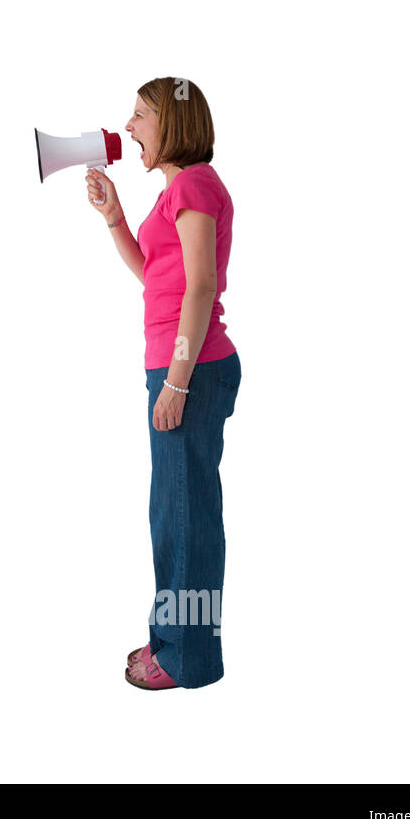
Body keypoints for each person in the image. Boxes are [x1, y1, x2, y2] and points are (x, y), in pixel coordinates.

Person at [86, 77, 241, 690]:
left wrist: (176, 384)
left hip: (192, 370)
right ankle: (173, 641)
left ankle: (187, 659)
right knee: (174, 515)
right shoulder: (176, 191)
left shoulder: (196, 185)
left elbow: (200, 285)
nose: (128, 127)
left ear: (173, 124)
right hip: (179, 367)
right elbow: (157, 275)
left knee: (186, 517)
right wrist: (115, 216)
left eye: (140, 115)